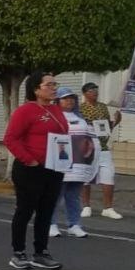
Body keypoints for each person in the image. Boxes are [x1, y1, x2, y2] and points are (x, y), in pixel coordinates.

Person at [3, 72, 69, 270]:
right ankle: (18, 252)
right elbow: (11, 139)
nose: (54, 88)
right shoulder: (26, 111)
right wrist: (29, 160)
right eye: (49, 84)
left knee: (46, 211)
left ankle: (41, 252)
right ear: (36, 89)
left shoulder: (57, 110)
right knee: (25, 210)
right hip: (30, 169)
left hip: (54, 168)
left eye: (55, 84)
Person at [48, 87, 92, 239]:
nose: (69, 101)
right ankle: (51, 223)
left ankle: (74, 224)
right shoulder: (54, 116)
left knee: (73, 195)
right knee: (56, 195)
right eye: (65, 98)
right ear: (58, 101)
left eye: (72, 98)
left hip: (79, 163)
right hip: (62, 161)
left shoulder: (80, 117)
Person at [77, 82, 124, 219]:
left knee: (108, 176)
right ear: (85, 93)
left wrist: (116, 121)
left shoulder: (103, 107)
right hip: (87, 147)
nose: (95, 92)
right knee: (86, 178)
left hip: (103, 148)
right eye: (92, 90)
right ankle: (86, 206)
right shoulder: (80, 109)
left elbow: (107, 128)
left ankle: (108, 208)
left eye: (96, 90)